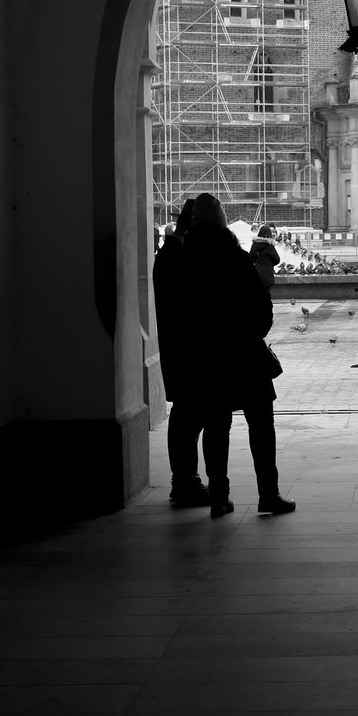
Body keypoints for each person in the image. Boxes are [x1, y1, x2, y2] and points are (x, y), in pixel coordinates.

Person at [180, 193, 295, 518]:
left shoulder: (185, 262)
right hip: (244, 355)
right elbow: (260, 309)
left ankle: (219, 497)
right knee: (261, 424)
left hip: (207, 358)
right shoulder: (234, 257)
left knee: (216, 427)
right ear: (222, 221)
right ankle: (268, 495)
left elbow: (181, 315)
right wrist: (254, 331)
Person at [153, 198, 209, 506]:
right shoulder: (176, 255)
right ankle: (184, 481)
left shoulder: (173, 252)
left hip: (181, 349)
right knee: (187, 417)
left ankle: (186, 480)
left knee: (188, 415)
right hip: (184, 350)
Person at [249, 224, 280, 297]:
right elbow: (277, 259)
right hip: (267, 275)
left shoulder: (255, 244)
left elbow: (251, 258)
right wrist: (270, 263)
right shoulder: (269, 245)